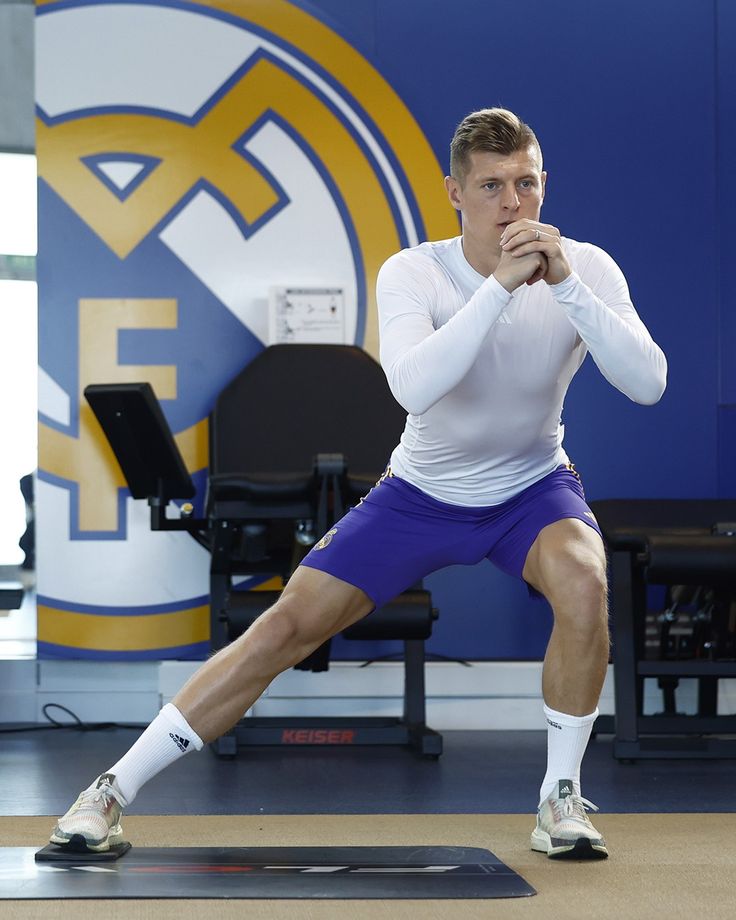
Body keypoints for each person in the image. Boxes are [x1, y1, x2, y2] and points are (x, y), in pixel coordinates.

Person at [50, 107, 666, 861]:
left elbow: (648, 384)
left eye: (528, 183)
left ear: (545, 185)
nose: (515, 203)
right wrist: (500, 287)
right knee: (283, 628)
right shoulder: (414, 271)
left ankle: (558, 798)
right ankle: (110, 791)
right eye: (494, 185)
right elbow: (413, 387)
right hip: (419, 492)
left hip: (531, 486)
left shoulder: (589, 268)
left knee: (584, 581)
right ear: (456, 193)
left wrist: (565, 285)